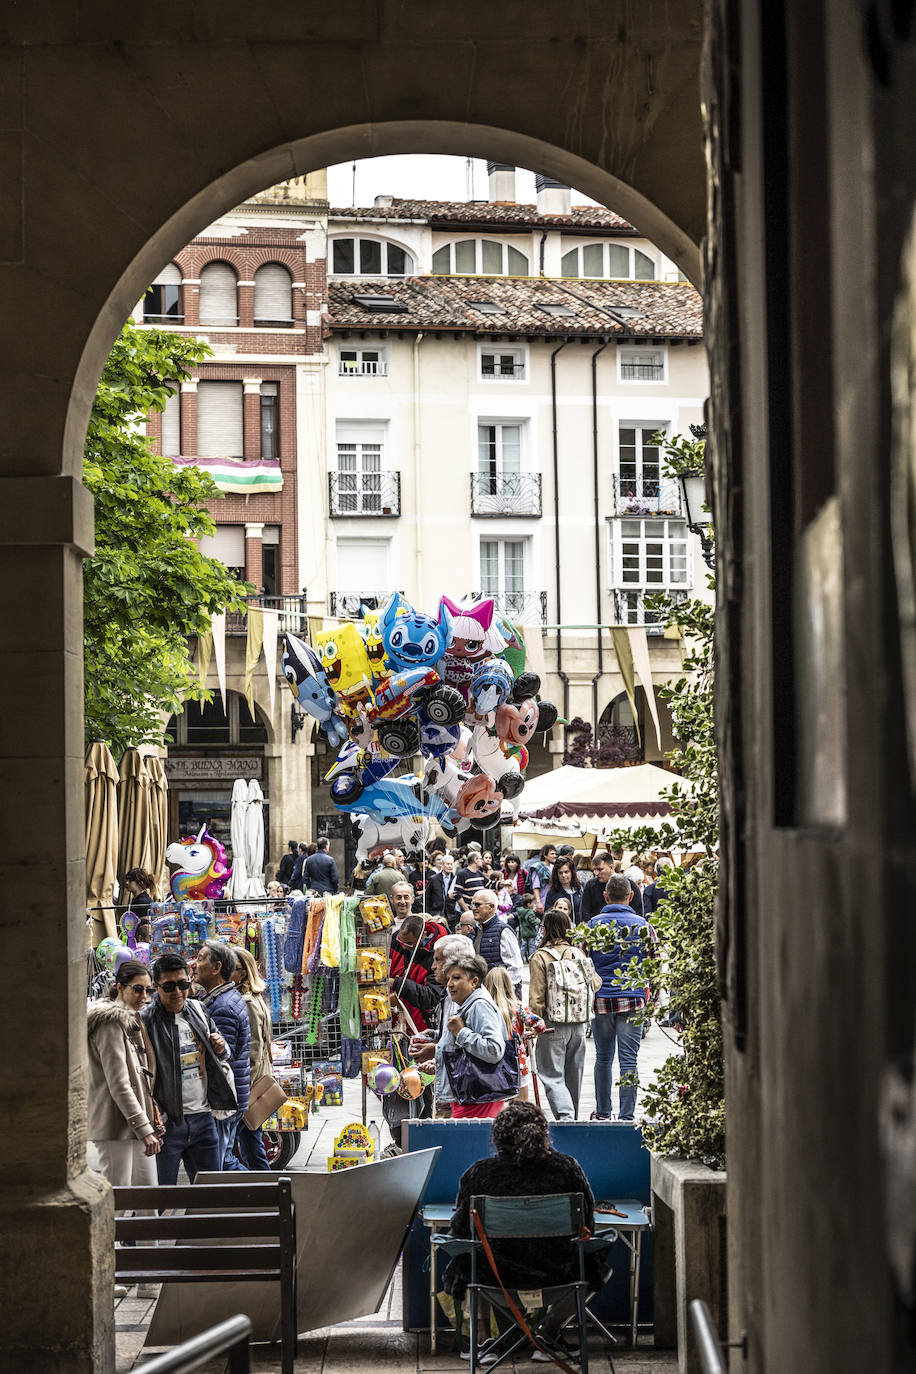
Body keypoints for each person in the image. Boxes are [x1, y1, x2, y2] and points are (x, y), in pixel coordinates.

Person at [443, 1102, 606, 1361]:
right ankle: (549, 1335)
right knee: (590, 1261)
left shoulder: (478, 1175)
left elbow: (461, 1229)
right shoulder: (568, 1169)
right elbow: (587, 1223)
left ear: (497, 1137)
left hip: (494, 1280)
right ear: (542, 1132)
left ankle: (485, 1343)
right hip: (557, 1278)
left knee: (471, 1256)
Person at [141, 953, 236, 1183]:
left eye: (182, 984)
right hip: (168, 1122)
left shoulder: (199, 1009)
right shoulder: (146, 1021)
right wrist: (155, 1119)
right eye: (169, 986)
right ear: (156, 987)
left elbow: (224, 1054)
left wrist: (221, 1047)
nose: (177, 992)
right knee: (162, 1198)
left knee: (209, 1197)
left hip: (203, 1119)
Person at [588, 874, 655, 1121]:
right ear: (631, 896)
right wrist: (653, 997)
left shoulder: (593, 924)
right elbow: (654, 963)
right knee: (629, 1060)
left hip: (602, 999)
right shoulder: (644, 926)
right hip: (634, 999)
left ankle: (603, 1112)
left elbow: (586, 964)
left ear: (606, 896)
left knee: (603, 1058)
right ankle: (626, 1116)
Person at [528, 909, 591, 1121]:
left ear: (544, 929)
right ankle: (572, 1117)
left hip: (552, 1023)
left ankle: (564, 1116)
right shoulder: (578, 953)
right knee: (574, 1074)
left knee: (551, 1073)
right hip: (579, 1023)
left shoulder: (540, 957)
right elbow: (596, 982)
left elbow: (536, 997)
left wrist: (534, 1024)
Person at [195, 940, 251, 1167]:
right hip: (233, 1095)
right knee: (224, 1160)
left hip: (225, 1098)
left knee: (220, 1163)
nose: (194, 964)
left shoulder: (222, 1007)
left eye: (200, 959)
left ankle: (263, 1194)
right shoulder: (222, 998)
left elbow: (222, 1059)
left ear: (216, 968)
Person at [434, 953, 509, 1119]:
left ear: (474, 982)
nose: (450, 984)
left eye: (457, 978)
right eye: (448, 979)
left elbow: (494, 1049)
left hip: (478, 1097)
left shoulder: (479, 1006)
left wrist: (461, 1033)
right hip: (470, 1095)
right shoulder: (469, 1005)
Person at [231, 947, 273, 1170]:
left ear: (243, 973)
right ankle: (266, 1188)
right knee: (251, 1142)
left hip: (251, 1085)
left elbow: (253, 1050)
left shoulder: (246, 1002)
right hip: (258, 1082)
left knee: (246, 1143)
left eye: (232, 969)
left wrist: (244, 1091)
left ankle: (264, 1188)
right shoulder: (255, 998)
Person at [484, 966, 545, 1103]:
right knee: (520, 1103)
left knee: (495, 1104)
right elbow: (540, 1025)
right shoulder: (517, 1008)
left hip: (492, 1061)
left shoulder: (484, 1008)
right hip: (517, 1061)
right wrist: (532, 1031)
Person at [388, 912, 445, 1033]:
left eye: (409, 944)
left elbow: (431, 996)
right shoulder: (396, 940)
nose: (403, 947)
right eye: (401, 941)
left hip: (420, 1022)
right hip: (396, 1015)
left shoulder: (437, 954)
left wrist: (397, 984)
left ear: (423, 935)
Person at [468, 888, 524, 999]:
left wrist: (504, 994)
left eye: (478, 905)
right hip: (481, 995)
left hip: (500, 997)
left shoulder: (503, 931)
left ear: (491, 907)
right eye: (472, 904)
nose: (473, 908)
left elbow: (515, 968)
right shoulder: (475, 931)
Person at [123, 867, 158, 942]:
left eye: (130, 880)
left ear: (140, 882)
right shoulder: (139, 899)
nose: (126, 882)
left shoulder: (142, 901)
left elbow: (146, 927)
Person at [426, 853, 460, 927]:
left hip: (451, 915)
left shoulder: (456, 879)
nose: (450, 866)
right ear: (442, 864)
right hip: (435, 914)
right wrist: (428, 914)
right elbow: (427, 898)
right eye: (448, 864)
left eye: (451, 864)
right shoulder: (433, 879)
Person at [455, 848, 489, 913]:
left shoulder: (479, 873)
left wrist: (503, 884)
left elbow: (490, 884)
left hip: (479, 911)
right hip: (469, 911)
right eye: (481, 859)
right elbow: (457, 894)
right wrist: (467, 910)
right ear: (475, 860)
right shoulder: (462, 874)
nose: (482, 861)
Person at [525, 844, 556, 913]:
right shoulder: (538, 867)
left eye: (555, 854)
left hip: (552, 899)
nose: (554, 856)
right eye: (552, 854)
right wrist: (538, 903)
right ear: (545, 855)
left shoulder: (554, 867)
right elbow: (536, 887)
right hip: (542, 900)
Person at [511, 892, 541, 961]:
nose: (534, 904)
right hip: (530, 932)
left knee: (523, 946)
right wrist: (537, 921)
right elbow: (532, 922)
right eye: (533, 903)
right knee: (531, 946)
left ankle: (520, 958)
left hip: (524, 932)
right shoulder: (530, 912)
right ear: (529, 904)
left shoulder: (521, 911)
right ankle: (532, 959)